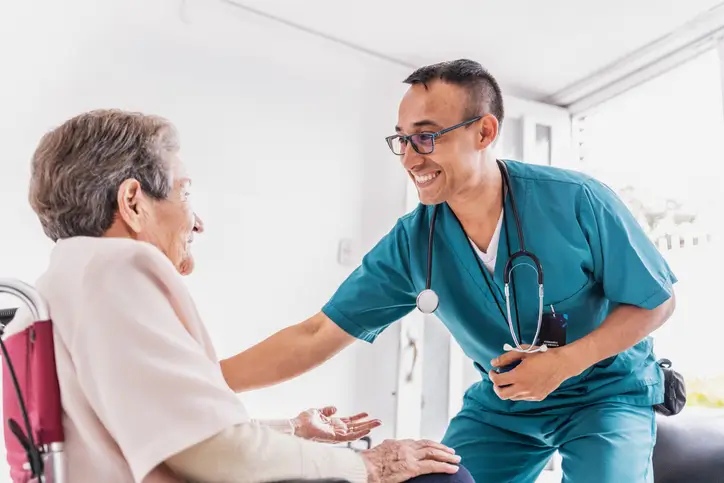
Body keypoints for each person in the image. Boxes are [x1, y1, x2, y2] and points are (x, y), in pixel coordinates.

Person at [219, 59, 678, 483]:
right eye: (401, 139)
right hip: (504, 404)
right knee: (439, 481)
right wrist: (196, 379)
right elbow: (316, 333)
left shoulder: (576, 200)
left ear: (483, 132)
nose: (410, 157)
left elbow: (656, 301)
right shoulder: (414, 242)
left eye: (426, 136)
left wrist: (566, 362)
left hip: (605, 391)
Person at [13, 109, 463, 482]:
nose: (198, 223)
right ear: (133, 202)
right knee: (443, 477)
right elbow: (213, 453)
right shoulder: (117, 269)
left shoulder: (60, 284)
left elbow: (164, 431)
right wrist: (366, 465)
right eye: (185, 194)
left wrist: (292, 430)